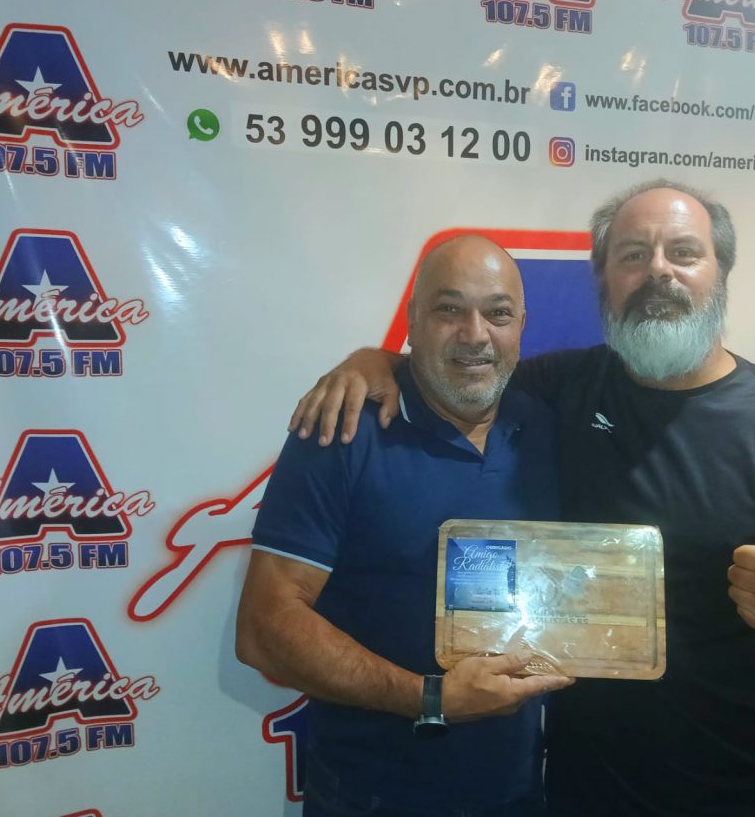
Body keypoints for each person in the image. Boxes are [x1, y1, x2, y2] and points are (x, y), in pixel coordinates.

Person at [287, 180, 755, 817]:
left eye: (684, 252)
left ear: (721, 272)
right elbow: (458, 361)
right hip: (577, 795)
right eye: (633, 255)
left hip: (749, 799)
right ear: (604, 280)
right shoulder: (559, 389)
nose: (658, 270)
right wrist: (372, 362)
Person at [236, 234, 572, 817]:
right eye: (449, 309)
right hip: (372, 797)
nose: (475, 334)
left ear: (521, 325)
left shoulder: (548, 427)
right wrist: (430, 698)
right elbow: (264, 627)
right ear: (413, 321)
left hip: (518, 792)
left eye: (497, 313)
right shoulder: (342, 430)